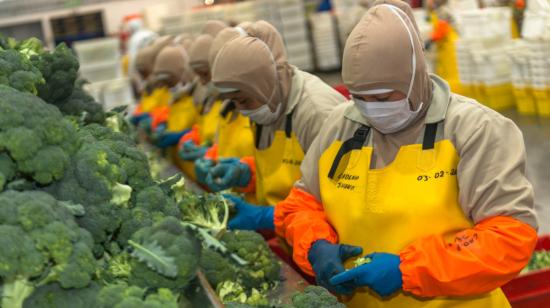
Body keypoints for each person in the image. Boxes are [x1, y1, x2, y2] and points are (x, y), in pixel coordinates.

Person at [274, 1, 538, 307]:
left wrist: (409, 270)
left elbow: (510, 237)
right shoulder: (341, 124)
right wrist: (315, 242)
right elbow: (302, 204)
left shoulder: (474, 130)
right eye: (359, 97)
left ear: (414, 78)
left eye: (383, 97)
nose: (370, 108)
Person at [207, 21, 345, 231]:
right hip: (288, 234)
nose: (241, 110)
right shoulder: (267, 103)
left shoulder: (317, 113)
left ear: (262, 82)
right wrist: (248, 172)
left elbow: (338, 200)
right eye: (233, 102)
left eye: (242, 101)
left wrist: (266, 216)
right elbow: (293, 171)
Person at [193, 27, 256, 191]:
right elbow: (222, 145)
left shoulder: (260, 109)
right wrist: (210, 157)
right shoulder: (226, 107)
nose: (203, 82)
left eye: (206, 74)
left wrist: (248, 172)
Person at [176, 21, 228, 180]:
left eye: (206, 74)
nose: (202, 82)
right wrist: (193, 137)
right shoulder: (208, 96)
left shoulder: (243, 103)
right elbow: (207, 127)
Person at [148, 43, 197, 149]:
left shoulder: (196, 97)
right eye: (165, 83)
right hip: (176, 160)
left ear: (183, 73)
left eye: (171, 82)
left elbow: (203, 130)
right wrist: (163, 124)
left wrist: (183, 135)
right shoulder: (174, 98)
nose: (168, 87)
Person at [130, 36, 173, 130]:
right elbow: (145, 104)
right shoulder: (149, 87)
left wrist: (154, 118)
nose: (146, 78)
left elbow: (168, 109)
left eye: (146, 73)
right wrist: (138, 114)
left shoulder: (167, 86)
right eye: (142, 75)